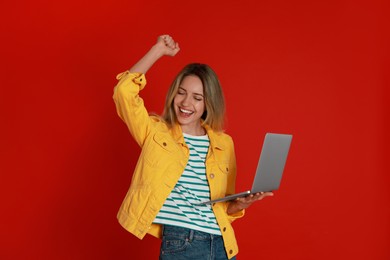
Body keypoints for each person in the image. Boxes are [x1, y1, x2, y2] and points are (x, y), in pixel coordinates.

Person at [113, 35, 273, 260]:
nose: (186, 103)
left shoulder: (223, 144)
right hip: (182, 243)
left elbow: (224, 208)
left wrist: (240, 203)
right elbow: (123, 93)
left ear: (208, 104)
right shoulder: (156, 132)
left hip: (222, 245)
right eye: (182, 92)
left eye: (197, 97)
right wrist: (158, 50)